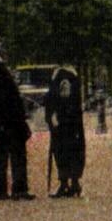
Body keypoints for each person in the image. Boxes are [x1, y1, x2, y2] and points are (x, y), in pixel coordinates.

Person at [0, 42, 33, 200]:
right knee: (17, 154)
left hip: (0, 120)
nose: (4, 49)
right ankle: (19, 189)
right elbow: (6, 97)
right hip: (9, 120)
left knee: (0, 155)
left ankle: (1, 190)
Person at [44, 65, 86, 197]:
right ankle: (73, 182)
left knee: (63, 151)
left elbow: (62, 98)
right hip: (72, 122)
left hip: (64, 123)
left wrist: (53, 116)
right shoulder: (71, 75)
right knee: (73, 151)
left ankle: (66, 183)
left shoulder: (63, 76)